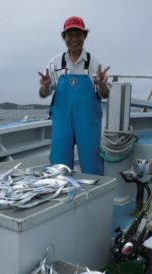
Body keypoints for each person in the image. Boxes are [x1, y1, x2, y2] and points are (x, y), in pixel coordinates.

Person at [39, 16, 110, 176]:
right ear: (64, 37)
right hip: (62, 121)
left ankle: (94, 195)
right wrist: (44, 86)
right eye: (70, 35)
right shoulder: (55, 63)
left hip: (88, 122)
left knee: (92, 162)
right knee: (59, 164)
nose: (74, 39)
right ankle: (61, 196)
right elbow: (43, 94)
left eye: (78, 34)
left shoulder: (95, 63)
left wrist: (101, 84)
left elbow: (105, 94)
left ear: (84, 36)